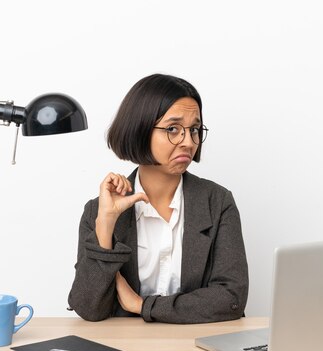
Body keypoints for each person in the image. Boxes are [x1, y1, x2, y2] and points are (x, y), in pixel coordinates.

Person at [68, 74, 248, 323]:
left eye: (194, 129)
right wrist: (105, 226)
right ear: (139, 130)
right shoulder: (98, 210)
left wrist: (142, 305)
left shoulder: (217, 202)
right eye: (173, 129)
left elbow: (231, 299)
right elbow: (88, 308)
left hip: (198, 343)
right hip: (124, 347)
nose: (188, 141)